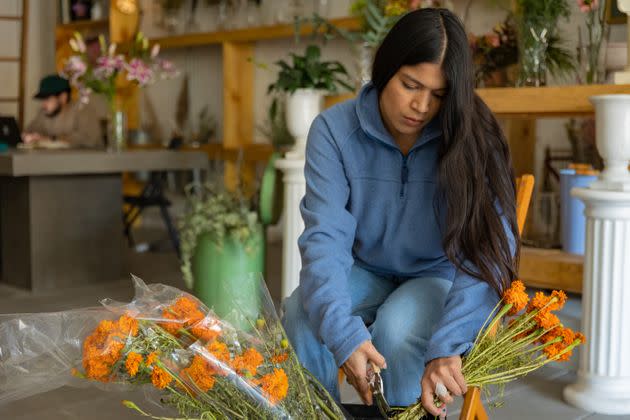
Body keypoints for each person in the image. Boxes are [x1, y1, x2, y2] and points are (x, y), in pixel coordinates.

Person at [282, 8, 519, 417]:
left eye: (439, 94)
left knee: (398, 326)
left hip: (436, 274)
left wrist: (449, 345)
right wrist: (343, 336)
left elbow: (486, 249)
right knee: (301, 313)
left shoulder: (472, 134)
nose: (422, 106)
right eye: (411, 85)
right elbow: (325, 239)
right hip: (366, 269)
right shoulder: (334, 132)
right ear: (385, 69)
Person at [22, 74, 102, 148]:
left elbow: (88, 139)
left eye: (47, 99)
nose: (43, 104)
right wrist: (29, 136)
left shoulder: (82, 109)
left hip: (85, 161)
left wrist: (52, 139)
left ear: (63, 97)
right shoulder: (44, 112)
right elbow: (32, 129)